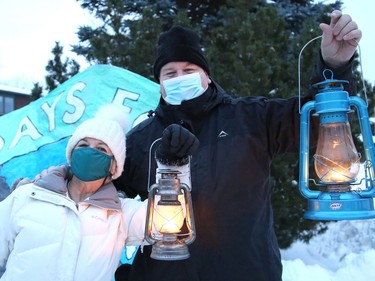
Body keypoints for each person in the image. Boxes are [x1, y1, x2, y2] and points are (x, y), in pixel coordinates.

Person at [113, 10, 361, 281]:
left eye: (189, 70)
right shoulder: (139, 141)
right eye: (170, 73)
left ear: (206, 75)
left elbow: (318, 122)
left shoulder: (250, 117)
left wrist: (335, 65)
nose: (179, 78)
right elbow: (103, 201)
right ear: (159, 84)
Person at [0, 105, 149, 281]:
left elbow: (169, 220)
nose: (89, 152)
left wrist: (176, 168)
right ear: (72, 154)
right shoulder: (27, 196)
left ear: (114, 166)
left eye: (101, 149)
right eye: (83, 145)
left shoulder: (122, 214)